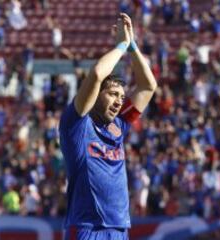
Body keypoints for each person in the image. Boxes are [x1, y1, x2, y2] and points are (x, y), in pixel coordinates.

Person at [59, 13, 157, 240]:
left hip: (119, 229)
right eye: (113, 94)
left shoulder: (119, 126)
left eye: (121, 98)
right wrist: (121, 45)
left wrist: (132, 46)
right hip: (86, 228)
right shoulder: (76, 125)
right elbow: (96, 74)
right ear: (96, 95)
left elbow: (148, 86)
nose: (118, 102)